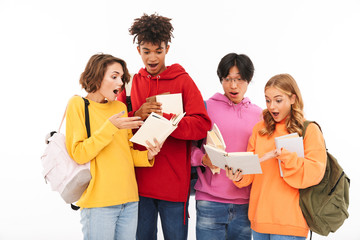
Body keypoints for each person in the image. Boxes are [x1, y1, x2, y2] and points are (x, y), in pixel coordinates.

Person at [117, 13, 211, 240]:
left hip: (174, 185)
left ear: (167, 49)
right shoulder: (129, 83)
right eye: (146, 51)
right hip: (138, 184)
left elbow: (202, 125)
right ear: (138, 50)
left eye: (158, 51)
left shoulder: (183, 80)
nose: (152, 58)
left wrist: (168, 120)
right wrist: (137, 115)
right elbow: (115, 129)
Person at [65, 53, 162, 240]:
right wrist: (111, 127)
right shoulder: (78, 104)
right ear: (97, 75)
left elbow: (126, 153)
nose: (120, 83)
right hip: (99, 202)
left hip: (130, 200)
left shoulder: (119, 108)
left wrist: (148, 155)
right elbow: (79, 153)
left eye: (122, 78)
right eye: (114, 76)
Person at [226, 73, 327, 240]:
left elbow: (315, 173)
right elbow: (251, 171)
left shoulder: (309, 130)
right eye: (267, 100)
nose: (272, 106)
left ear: (293, 98)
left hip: (290, 224)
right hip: (260, 221)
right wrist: (238, 175)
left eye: (278, 100)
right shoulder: (260, 129)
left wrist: (286, 157)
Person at [190, 53, 262, 240]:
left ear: (249, 80)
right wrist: (202, 159)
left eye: (239, 79)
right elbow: (188, 148)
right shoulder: (205, 108)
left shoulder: (260, 115)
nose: (233, 86)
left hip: (245, 204)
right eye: (227, 79)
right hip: (209, 201)